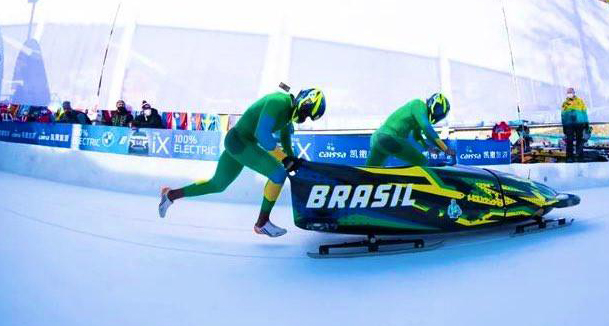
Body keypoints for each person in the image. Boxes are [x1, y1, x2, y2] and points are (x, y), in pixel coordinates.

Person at [158, 88, 326, 237]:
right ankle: (262, 223)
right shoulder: (278, 101)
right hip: (240, 141)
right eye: (306, 113)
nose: (304, 118)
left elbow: (285, 139)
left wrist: (293, 160)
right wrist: (284, 159)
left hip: (238, 142)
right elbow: (262, 134)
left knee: (217, 185)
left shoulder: (288, 115)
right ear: (304, 102)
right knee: (278, 173)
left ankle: (170, 195)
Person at [366, 93, 455, 167]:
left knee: (369, 173)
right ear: (432, 103)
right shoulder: (419, 105)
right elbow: (428, 129)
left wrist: (428, 147)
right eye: (438, 110)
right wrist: (445, 149)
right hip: (388, 138)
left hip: (378, 139)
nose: (438, 114)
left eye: (441, 114)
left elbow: (417, 136)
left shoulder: (419, 116)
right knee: (422, 162)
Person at [561, 87, 588, 162]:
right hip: (569, 125)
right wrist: (564, 126)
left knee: (579, 140)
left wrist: (586, 124)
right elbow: (563, 115)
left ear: (574, 93)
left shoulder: (580, 101)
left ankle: (579, 156)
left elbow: (584, 113)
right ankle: (569, 157)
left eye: (571, 92)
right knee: (569, 141)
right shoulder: (565, 103)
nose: (570, 94)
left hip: (579, 124)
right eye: (568, 92)